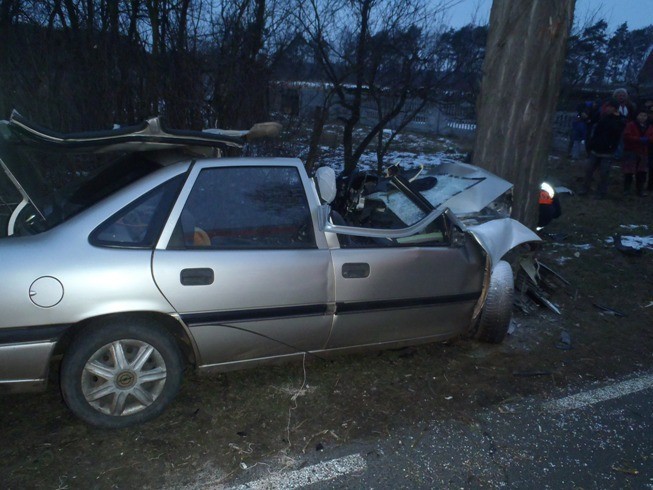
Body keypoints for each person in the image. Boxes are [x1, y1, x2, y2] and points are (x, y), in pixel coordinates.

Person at [581, 99, 626, 198]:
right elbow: (596, 131)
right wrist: (591, 144)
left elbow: (617, 132)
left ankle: (601, 192)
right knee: (589, 170)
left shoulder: (621, 119)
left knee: (604, 172)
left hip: (608, 150)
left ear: (614, 108)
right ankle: (585, 188)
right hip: (596, 148)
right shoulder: (603, 117)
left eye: (609, 107)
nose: (606, 109)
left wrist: (613, 118)